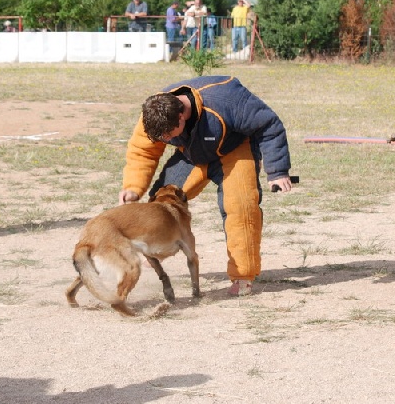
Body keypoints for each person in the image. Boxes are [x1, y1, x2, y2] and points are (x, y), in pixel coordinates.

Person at [118, 76, 292, 296]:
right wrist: (133, 187)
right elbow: (143, 150)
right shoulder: (155, 112)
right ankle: (156, 254)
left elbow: (269, 125)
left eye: (168, 135)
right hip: (193, 155)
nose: (164, 139)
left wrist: (277, 171)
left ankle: (242, 277)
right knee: (159, 207)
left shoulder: (228, 100)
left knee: (241, 208)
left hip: (235, 151)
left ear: (181, 116)